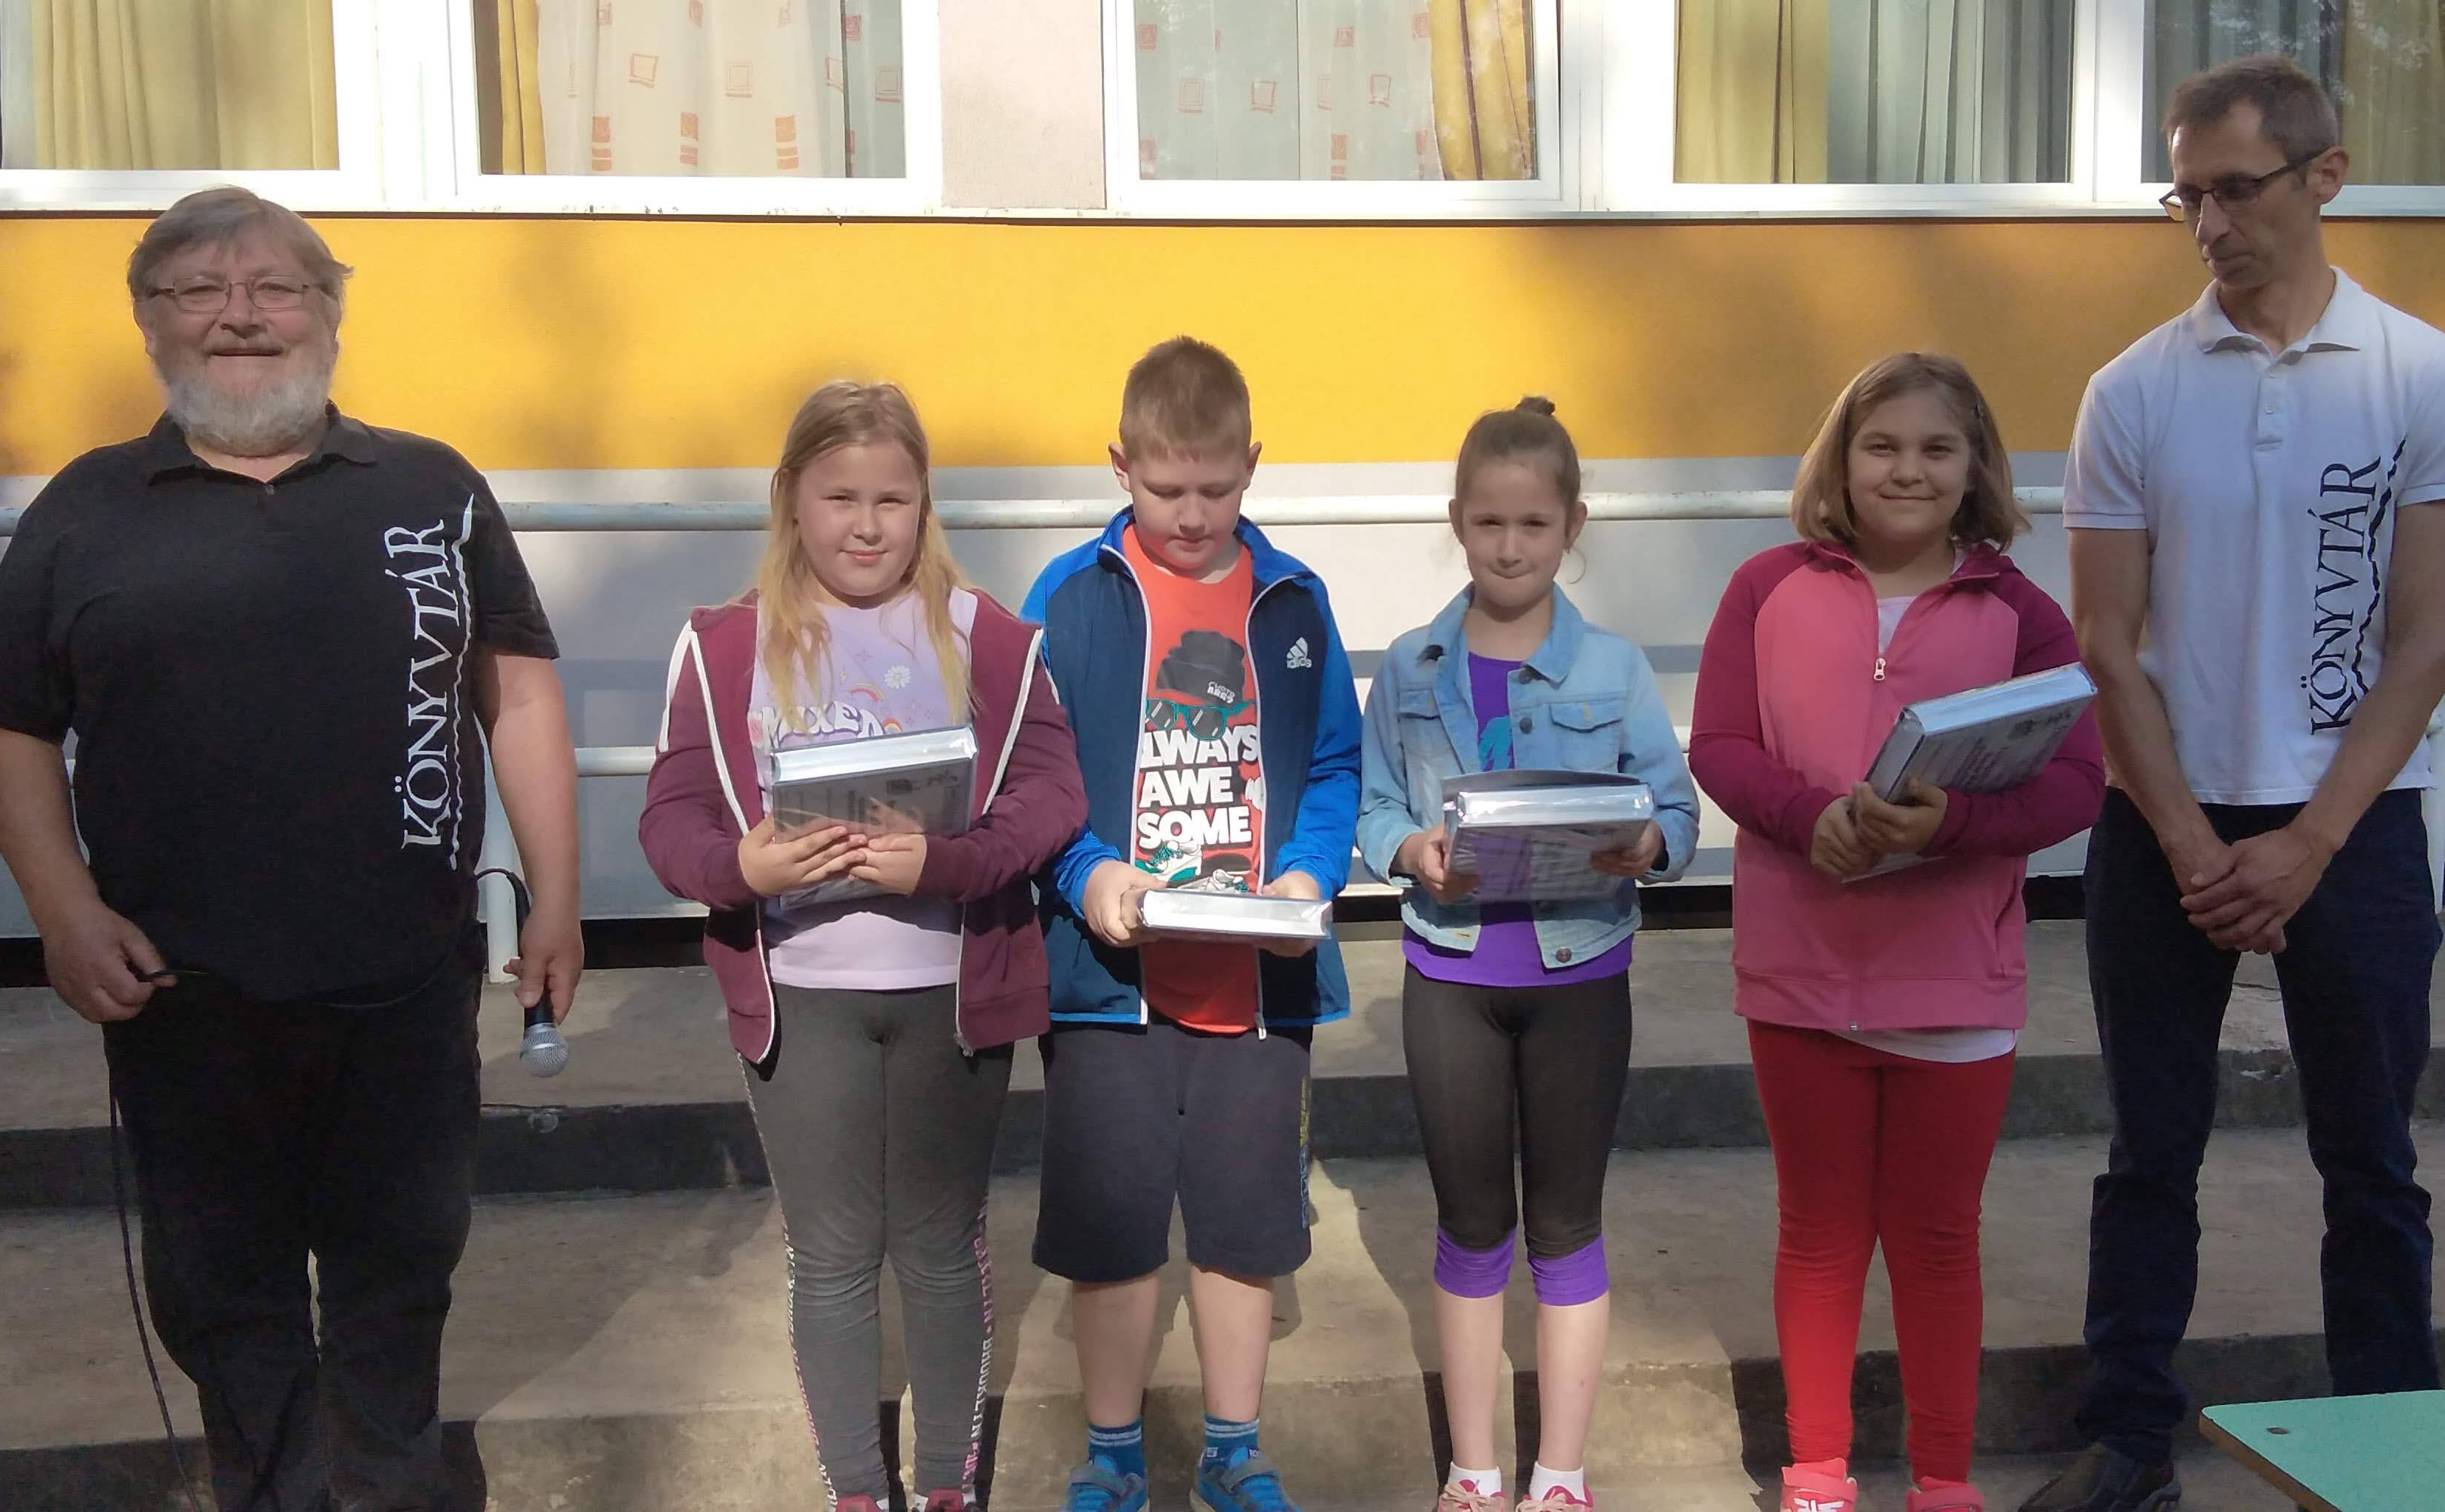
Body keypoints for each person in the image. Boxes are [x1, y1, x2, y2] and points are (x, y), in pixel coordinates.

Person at [0, 187, 580, 1511]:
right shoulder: (87, 507)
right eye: (198, 290)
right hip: (183, 995)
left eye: (276, 287)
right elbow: (10, 726)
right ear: (150, 321)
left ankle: (392, 1491)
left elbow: (514, 694)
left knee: (401, 1274)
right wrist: (64, 913)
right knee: (223, 1296)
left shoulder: (433, 486)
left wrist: (561, 898)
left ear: (329, 313)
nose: (239, 316)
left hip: (403, 986)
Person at [2018, 56, 2445, 1512]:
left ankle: (2388, 1456)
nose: (2210, 225)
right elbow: (2106, 641)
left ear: (2323, 176)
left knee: (2373, 1160)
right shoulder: (2132, 390)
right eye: (2187, 197)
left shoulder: (2427, 375)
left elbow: (2424, 646)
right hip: (2163, 817)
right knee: (2148, 1153)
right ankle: (2129, 1444)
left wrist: (2309, 841)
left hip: (2356, 821)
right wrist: (2185, 838)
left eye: (2235, 190)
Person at [637, 380, 1086, 1512]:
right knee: (831, 1253)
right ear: (791, 497)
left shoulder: (992, 640)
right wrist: (741, 871)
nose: (869, 525)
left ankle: (946, 1488)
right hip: (802, 996)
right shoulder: (722, 646)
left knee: (940, 1244)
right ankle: (855, 1488)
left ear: (925, 501)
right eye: (841, 498)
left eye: (894, 499)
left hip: (951, 995)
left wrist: (944, 863)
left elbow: (1050, 797)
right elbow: (672, 817)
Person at [1691, 354, 2105, 1512]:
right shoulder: (1765, 587)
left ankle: (1943, 1482)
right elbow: (1721, 745)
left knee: (1935, 1241)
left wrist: (1952, 824)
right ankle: (1817, 1473)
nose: (1907, 470)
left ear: (1976, 466)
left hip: (1955, 981)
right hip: (1801, 973)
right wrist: (1807, 818)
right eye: (1882, 446)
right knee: (1820, 1236)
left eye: (1935, 448)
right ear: (1841, 459)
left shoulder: (2023, 614)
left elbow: (2077, 781)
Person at [1020, 337, 1364, 1512]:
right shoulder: (1068, 600)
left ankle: (1233, 1448)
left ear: (1253, 465)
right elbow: (1035, 776)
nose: (1192, 513)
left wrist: (1307, 880)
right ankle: (1112, 1453)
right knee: (1111, 1232)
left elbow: (1333, 766)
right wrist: (1085, 873)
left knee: (1244, 1231)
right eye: (1167, 488)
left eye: (1216, 488)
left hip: (1257, 990)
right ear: (1119, 467)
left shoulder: (1295, 599)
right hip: (1105, 987)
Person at [1355, 397, 1700, 1512]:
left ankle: (1560, 1475)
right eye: (1489, 523)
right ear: (1458, 521)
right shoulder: (1409, 669)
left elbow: (1675, 809)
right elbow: (1371, 804)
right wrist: (1409, 849)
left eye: (1535, 525)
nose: (1510, 547)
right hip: (1452, 977)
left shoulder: (1615, 668)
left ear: (1572, 526)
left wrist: (1649, 843)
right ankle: (1475, 1470)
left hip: (1580, 978)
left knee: (1566, 1227)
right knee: (1470, 1229)